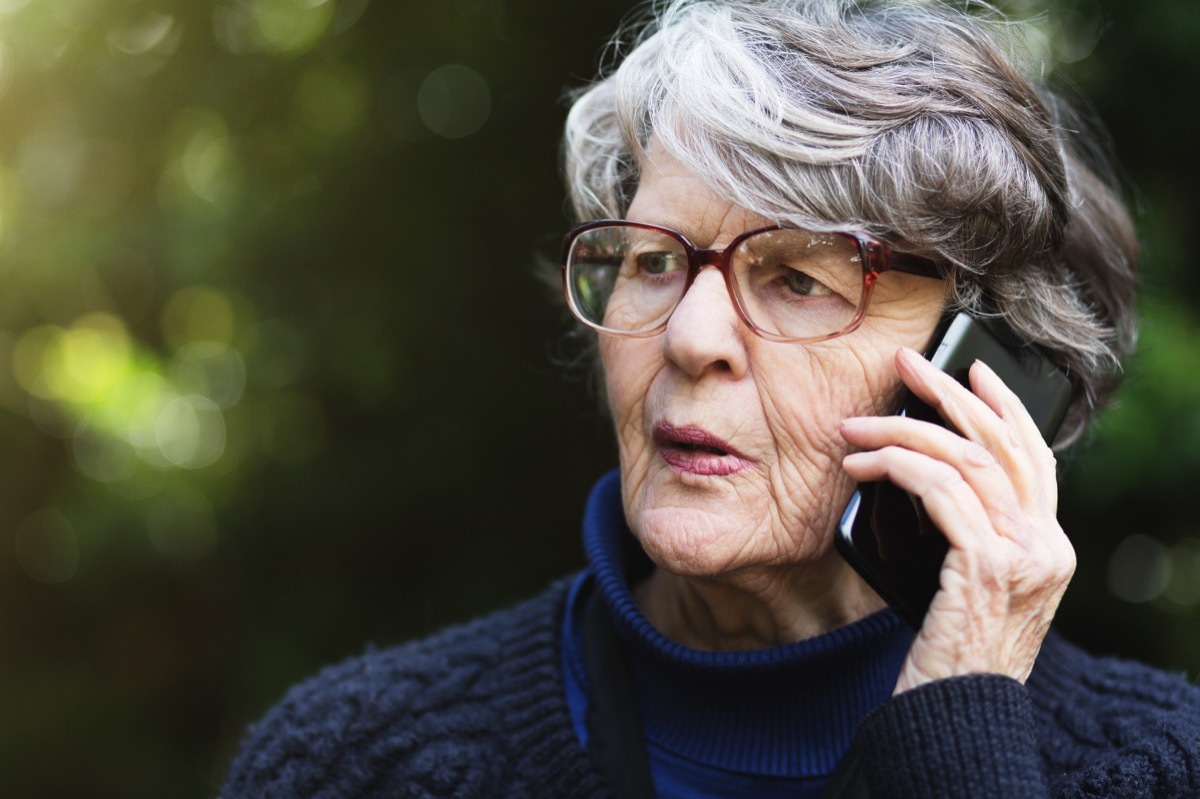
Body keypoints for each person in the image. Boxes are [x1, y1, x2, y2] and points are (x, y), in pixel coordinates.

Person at [219, 1, 1200, 797]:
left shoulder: (1161, 767)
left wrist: (959, 741)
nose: (687, 337)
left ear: (987, 367)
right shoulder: (352, 762)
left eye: (799, 279)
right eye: (654, 261)